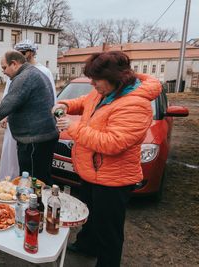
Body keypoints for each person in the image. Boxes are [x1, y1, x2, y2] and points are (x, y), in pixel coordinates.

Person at [52, 51, 162, 267]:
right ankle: (87, 245)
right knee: (90, 215)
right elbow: (85, 101)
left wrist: (74, 128)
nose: (93, 84)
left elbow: (112, 143)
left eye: (96, 80)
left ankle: (107, 262)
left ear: (115, 78)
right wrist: (65, 105)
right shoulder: (103, 92)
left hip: (113, 179)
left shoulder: (135, 104)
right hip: (92, 171)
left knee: (109, 230)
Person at [0, 50, 58, 185]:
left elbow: (5, 106)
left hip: (34, 140)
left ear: (14, 64)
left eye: (4, 68)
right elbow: (24, 104)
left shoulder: (24, 78)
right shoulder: (34, 73)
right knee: (41, 177)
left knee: (33, 182)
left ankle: (36, 205)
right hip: (41, 137)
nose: (3, 72)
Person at [0, 40, 57, 181]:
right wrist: (6, 115)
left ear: (29, 53)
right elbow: (10, 97)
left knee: (33, 169)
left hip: (33, 129)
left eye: (20, 53)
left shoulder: (41, 72)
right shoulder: (15, 70)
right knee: (16, 158)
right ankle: (14, 180)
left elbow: (51, 100)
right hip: (18, 126)